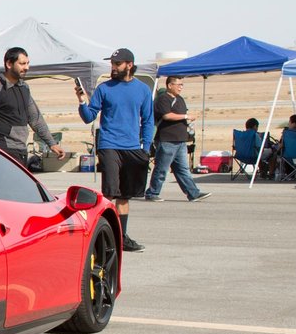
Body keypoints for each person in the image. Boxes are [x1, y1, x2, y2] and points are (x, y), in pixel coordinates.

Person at [75, 49, 154, 252]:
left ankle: (122, 237)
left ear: (129, 65)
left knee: (125, 196)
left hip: (133, 148)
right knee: (109, 193)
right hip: (109, 145)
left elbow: (148, 120)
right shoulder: (104, 89)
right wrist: (82, 101)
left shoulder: (142, 90)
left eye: (117, 64)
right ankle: (100, 236)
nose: (113, 67)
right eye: (112, 63)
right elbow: (88, 116)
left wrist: (146, 147)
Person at [0, 47, 66, 169]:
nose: (26, 67)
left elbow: (35, 118)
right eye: (22, 64)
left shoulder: (24, 88)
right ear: (9, 64)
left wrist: (52, 144)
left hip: (21, 149)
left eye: (27, 63)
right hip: (2, 150)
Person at [144, 75, 207, 203]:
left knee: (183, 169)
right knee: (161, 168)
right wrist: (186, 116)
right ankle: (152, 193)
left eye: (182, 85)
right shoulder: (163, 99)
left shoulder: (180, 100)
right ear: (169, 85)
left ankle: (193, 193)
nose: (180, 87)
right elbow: (167, 116)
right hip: (167, 140)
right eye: (178, 85)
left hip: (180, 141)